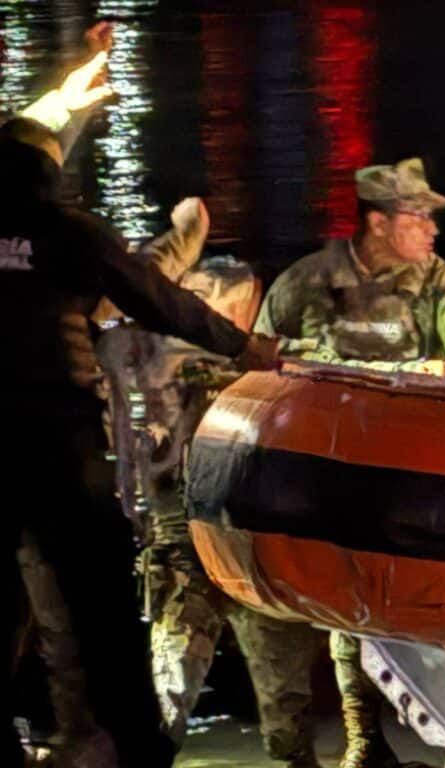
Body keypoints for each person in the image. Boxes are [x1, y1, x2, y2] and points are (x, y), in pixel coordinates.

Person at [0, 116, 277, 768]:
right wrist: (245, 343)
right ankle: (130, 749)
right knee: (101, 618)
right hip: (54, 443)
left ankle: (71, 740)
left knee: (34, 619)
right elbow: (150, 291)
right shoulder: (65, 230)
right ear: (48, 172)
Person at [256, 157, 445, 768]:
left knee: (437, 613)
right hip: (334, 473)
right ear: (379, 224)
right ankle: (363, 737)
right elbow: (262, 370)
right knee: (347, 609)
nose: (432, 230)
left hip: (420, 474)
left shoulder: (442, 285)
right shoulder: (307, 284)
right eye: (418, 217)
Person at [108, 199, 323, 768]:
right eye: (239, 303)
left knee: (280, 689)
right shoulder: (153, 357)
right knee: (174, 680)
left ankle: (291, 753)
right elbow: (136, 287)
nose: (246, 316)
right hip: (192, 543)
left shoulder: (250, 360)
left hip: (252, 544)